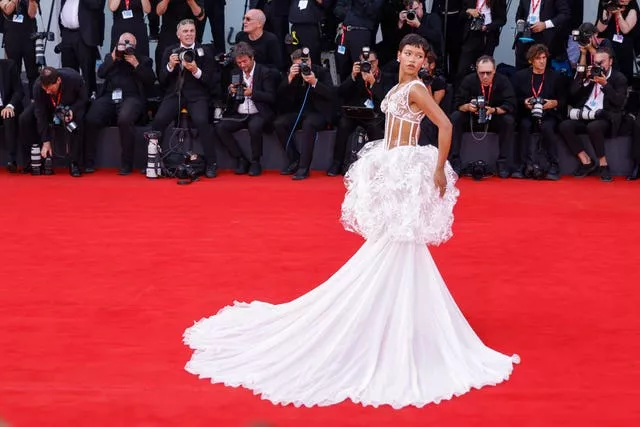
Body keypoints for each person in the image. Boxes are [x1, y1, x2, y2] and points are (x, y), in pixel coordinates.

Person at [183, 34, 519, 409]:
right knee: (390, 239)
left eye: (418, 55)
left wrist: (440, 168)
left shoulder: (420, 89)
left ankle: (401, 312)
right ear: (398, 54)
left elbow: (446, 125)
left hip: (407, 165)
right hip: (393, 164)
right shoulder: (399, 85)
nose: (411, 58)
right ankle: (397, 311)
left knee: (398, 240)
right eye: (406, 52)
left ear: (425, 61)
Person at [85, 33, 156, 175]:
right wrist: (112, 58)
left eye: (129, 45)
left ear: (135, 47)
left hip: (132, 97)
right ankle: (88, 162)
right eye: (122, 44)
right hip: (109, 95)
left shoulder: (143, 60)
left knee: (125, 119)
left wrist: (136, 64)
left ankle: (126, 163)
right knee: (91, 117)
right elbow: (101, 73)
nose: (125, 48)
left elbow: (150, 80)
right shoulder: (110, 58)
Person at [558, 46, 628, 182]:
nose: (598, 66)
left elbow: (619, 102)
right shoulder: (590, 75)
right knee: (565, 125)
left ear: (610, 62)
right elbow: (573, 95)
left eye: (601, 63)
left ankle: (603, 165)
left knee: (593, 127)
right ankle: (586, 161)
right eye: (596, 63)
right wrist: (585, 81)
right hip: (586, 114)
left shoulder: (619, 78)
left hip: (606, 116)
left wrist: (605, 84)